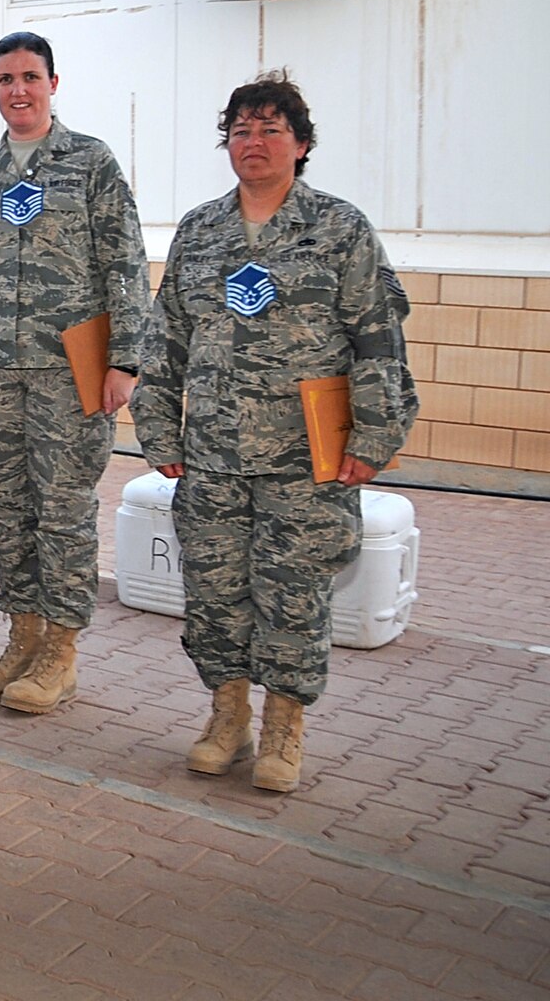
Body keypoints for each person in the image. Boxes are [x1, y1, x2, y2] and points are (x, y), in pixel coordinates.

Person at [133, 71, 416, 792]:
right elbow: (165, 340)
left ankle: (285, 727)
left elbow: (377, 339)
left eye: (269, 129)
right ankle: (228, 719)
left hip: (306, 457)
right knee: (217, 591)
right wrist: (160, 432)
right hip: (215, 456)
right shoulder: (202, 231)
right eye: (240, 129)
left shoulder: (339, 229)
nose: (252, 142)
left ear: (302, 143)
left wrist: (373, 437)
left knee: (294, 594)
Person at [0, 31, 149, 714]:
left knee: (61, 510)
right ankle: (21, 638)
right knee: (6, 507)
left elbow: (124, 261)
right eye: (6, 79)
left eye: (30, 77)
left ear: (53, 84)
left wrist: (124, 361)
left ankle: (60, 650)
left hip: (69, 373)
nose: (18, 91)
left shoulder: (91, 163)